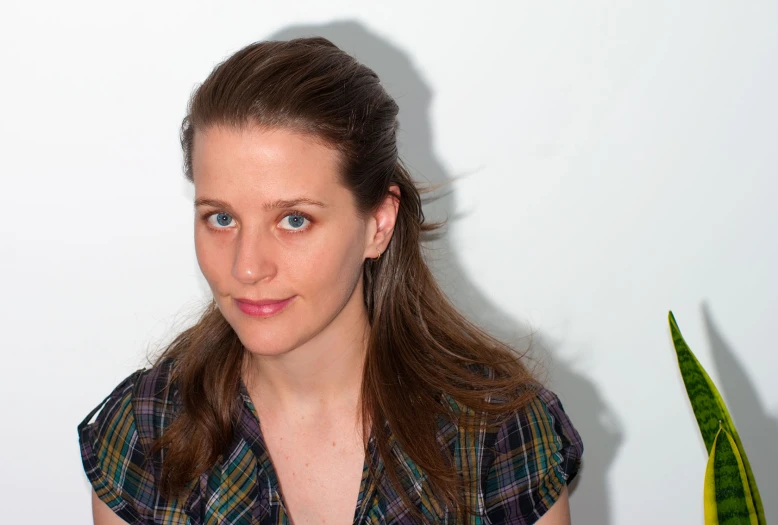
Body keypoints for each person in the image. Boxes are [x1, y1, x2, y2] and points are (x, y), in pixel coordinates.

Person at [78, 36, 583, 525]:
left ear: (377, 225)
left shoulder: (496, 433)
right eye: (221, 218)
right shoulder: (147, 433)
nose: (247, 268)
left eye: (294, 219)